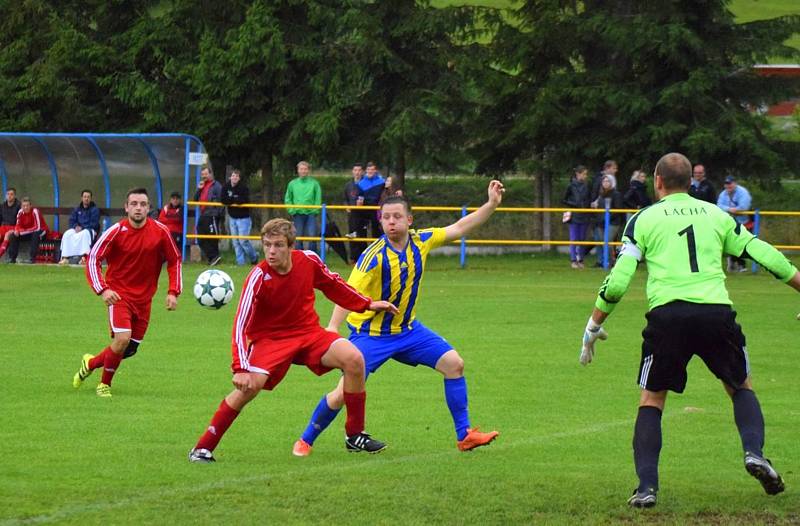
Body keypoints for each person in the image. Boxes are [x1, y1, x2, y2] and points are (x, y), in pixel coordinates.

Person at [579, 152, 798, 508]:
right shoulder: (717, 215)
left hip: (668, 316)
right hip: (715, 312)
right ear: (690, 183)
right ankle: (754, 453)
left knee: (652, 398)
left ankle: (646, 488)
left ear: (658, 182)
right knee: (740, 386)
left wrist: (593, 324)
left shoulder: (643, 219)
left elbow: (618, 281)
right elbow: (765, 255)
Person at [292, 181, 505, 458]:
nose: (391, 222)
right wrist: (333, 328)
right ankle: (305, 440)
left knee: (455, 364)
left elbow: (460, 228)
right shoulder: (372, 256)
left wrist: (490, 205)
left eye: (397, 217)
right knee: (344, 393)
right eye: (386, 218)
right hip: (371, 335)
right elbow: (345, 291)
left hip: (408, 331)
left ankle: (464, 435)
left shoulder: (422, 241)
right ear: (380, 221)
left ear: (409, 220)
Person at [188, 218, 399, 462]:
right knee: (249, 387)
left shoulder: (307, 260)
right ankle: (203, 447)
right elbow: (240, 323)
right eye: (267, 245)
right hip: (271, 340)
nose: (271, 251)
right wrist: (240, 367)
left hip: (308, 333)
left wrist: (366, 304)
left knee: (354, 360)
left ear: (291, 247)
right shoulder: (257, 276)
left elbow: (333, 285)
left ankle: (354, 434)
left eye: (278, 245)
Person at [72, 188, 182, 398]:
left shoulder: (160, 231)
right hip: (119, 296)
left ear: (149, 208)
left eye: (143, 204)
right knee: (122, 340)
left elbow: (174, 260)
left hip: (144, 300)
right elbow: (93, 258)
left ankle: (91, 363)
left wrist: (173, 292)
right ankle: (104, 385)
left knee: (129, 349)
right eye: (134, 204)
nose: (138, 208)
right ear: (126, 207)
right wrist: (103, 290)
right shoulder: (116, 231)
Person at [221, 169, 259, 266]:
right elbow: (223, 200)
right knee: (236, 242)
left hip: (243, 218)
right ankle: (240, 263)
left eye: (237, 176)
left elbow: (243, 200)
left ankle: (254, 257)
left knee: (243, 241)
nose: (234, 178)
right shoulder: (226, 186)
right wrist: (234, 198)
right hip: (232, 217)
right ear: (230, 177)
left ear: (239, 178)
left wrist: (232, 199)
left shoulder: (243, 188)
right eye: (233, 175)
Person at [717, 176, 753, 272]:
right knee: (730, 243)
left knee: (741, 244)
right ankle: (736, 263)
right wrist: (729, 209)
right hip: (728, 223)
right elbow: (719, 205)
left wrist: (735, 210)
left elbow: (744, 206)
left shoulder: (743, 192)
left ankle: (738, 263)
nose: (728, 186)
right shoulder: (723, 194)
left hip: (744, 223)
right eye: (726, 184)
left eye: (730, 183)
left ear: (735, 183)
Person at [284, 161, 321, 253]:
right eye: (301, 169)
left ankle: (312, 256)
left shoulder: (314, 184)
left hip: (311, 214)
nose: (303, 171)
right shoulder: (292, 184)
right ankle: (299, 256)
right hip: (297, 213)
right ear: (298, 170)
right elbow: (288, 198)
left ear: (308, 170)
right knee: (297, 236)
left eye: (305, 169)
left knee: (312, 236)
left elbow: (318, 198)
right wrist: (292, 210)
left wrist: (316, 210)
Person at [59, 189, 100, 265]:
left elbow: (94, 224)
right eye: (84, 197)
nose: (86, 198)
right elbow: (71, 221)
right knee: (68, 233)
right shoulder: (77, 209)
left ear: (91, 199)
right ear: (81, 198)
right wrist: (75, 226)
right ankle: (65, 258)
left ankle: (84, 258)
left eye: (88, 197)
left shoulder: (95, 210)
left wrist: (82, 228)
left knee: (85, 233)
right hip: (78, 229)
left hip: (90, 230)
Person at [2, 197, 48, 263]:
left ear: (30, 206)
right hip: (27, 232)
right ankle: (12, 258)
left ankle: (32, 259)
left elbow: (37, 227)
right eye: (24, 206)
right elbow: (17, 225)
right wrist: (17, 230)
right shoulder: (20, 212)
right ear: (21, 206)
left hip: (41, 231)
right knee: (13, 235)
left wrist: (22, 232)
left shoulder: (35, 211)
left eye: (27, 205)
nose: (26, 207)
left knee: (35, 235)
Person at [592, 175, 625, 266]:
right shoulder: (600, 195)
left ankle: (612, 261)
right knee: (603, 242)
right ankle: (607, 261)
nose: (605, 183)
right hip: (601, 222)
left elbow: (618, 210)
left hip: (613, 222)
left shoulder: (616, 194)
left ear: (611, 183)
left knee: (607, 240)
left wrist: (608, 218)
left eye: (608, 181)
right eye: (604, 181)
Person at [562, 165, 591, 269]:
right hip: (574, 215)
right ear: (578, 174)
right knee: (574, 238)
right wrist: (574, 204)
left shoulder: (587, 186)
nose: (585, 176)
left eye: (586, 174)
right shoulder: (571, 186)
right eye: (584, 174)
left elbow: (589, 199)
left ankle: (581, 259)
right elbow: (564, 200)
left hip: (584, 215)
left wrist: (587, 206)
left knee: (582, 238)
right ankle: (573, 260)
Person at [194, 166, 223, 265]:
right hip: (203, 214)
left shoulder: (216, 185)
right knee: (200, 237)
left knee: (212, 237)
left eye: (206, 174)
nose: (204, 176)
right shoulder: (202, 186)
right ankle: (213, 256)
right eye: (202, 174)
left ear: (210, 174)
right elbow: (195, 200)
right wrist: (199, 189)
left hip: (212, 215)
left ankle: (215, 258)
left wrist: (218, 213)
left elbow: (221, 200)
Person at [355, 161, 385, 239]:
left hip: (377, 209)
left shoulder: (381, 182)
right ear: (366, 171)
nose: (370, 171)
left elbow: (386, 193)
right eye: (368, 169)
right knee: (362, 230)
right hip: (365, 209)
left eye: (372, 169)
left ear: (375, 171)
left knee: (377, 231)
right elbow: (360, 196)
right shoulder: (361, 183)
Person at [344, 163, 366, 263]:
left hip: (363, 215)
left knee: (362, 235)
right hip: (352, 215)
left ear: (362, 172)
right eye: (355, 170)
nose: (357, 172)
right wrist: (347, 206)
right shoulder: (348, 185)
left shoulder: (365, 184)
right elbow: (344, 198)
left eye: (359, 170)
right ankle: (353, 257)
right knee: (352, 234)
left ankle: (363, 257)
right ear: (353, 172)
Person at [0, 188, 21, 260]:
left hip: (13, 227)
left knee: (8, 235)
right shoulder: (2, 206)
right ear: (6, 196)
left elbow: (20, 220)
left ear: (15, 196)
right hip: (3, 226)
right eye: (8, 194)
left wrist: (17, 229)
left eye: (11, 194)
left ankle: (3, 254)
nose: (9, 196)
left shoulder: (19, 205)